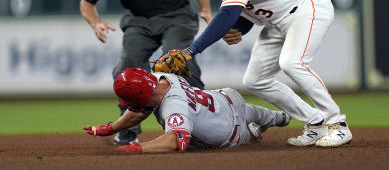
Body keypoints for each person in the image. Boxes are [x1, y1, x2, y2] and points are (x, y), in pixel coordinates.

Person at [166, 0, 352, 147]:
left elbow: (227, 13)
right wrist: (236, 30)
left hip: (306, 8)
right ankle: (315, 122)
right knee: (255, 80)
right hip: (278, 23)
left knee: (292, 63)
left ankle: (337, 124)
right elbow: (245, 15)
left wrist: (191, 50)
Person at [80, 0, 212, 145]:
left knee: (177, 60)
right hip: (139, 21)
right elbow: (86, 3)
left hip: (177, 16)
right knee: (126, 69)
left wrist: (206, 9)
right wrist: (95, 23)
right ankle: (128, 129)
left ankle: (201, 118)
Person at [83, 68, 290, 153]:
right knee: (267, 115)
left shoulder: (174, 108)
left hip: (233, 133)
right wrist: (111, 128)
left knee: (252, 135)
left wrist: (140, 148)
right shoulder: (160, 75)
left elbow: (176, 140)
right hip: (227, 98)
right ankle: (282, 117)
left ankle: (255, 131)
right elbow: (141, 109)